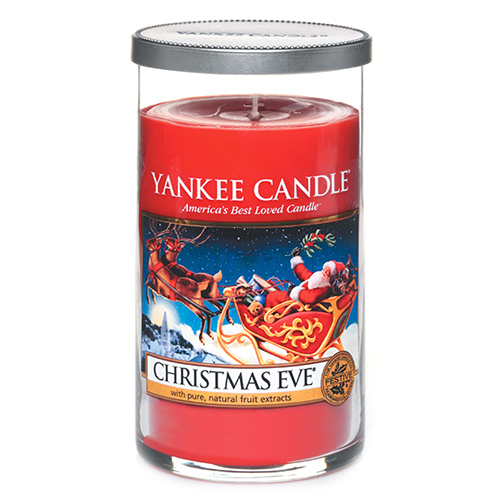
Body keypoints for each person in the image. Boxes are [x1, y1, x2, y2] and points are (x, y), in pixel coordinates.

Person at [258, 248, 354, 309]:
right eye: (326, 269)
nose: (325, 271)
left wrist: (295, 292)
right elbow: (303, 272)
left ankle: (267, 317)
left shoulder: (325, 288)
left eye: (329, 272)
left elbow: (311, 297)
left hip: (296, 306)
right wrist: (296, 257)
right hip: (294, 300)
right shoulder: (317, 278)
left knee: (272, 296)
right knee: (271, 285)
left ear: (332, 277)